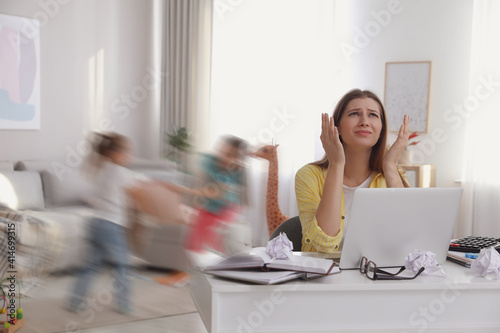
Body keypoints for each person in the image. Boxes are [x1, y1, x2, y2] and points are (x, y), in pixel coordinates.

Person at [295, 89, 410, 253]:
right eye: (354, 114)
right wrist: (336, 163)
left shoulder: (393, 175)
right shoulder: (308, 175)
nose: (364, 121)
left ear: (381, 129)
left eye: (372, 115)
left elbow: (407, 238)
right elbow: (323, 245)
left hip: (377, 273)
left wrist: (391, 165)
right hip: (323, 273)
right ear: (337, 127)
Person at [68, 132, 144, 314]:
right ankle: (125, 303)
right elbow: (138, 190)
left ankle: (75, 301)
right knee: (122, 265)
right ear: (115, 153)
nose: (129, 156)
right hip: (111, 226)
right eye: (127, 152)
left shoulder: (102, 169)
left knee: (91, 265)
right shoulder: (121, 173)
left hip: (95, 223)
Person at [165, 135, 248, 254]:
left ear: (238, 158)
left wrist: (182, 190)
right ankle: (195, 260)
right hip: (208, 205)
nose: (224, 157)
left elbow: (219, 193)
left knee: (218, 238)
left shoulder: (238, 170)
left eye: (230, 155)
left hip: (226, 207)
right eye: (222, 152)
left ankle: (219, 260)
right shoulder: (208, 161)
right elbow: (201, 187)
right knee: (195, 240)